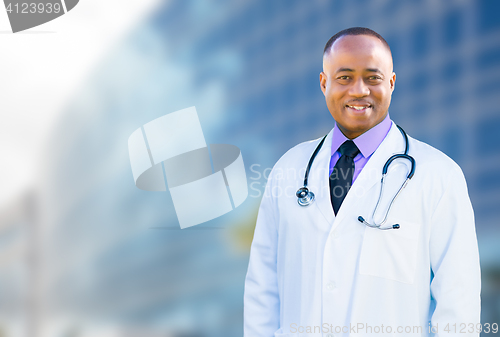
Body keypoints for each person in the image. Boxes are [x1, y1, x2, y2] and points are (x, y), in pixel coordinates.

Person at [244, 27, 481, 337]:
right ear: (324, 82)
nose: (359, 90)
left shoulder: (438, 174)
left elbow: (457, 295)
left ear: (392, 83)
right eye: (344, 77)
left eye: (373, 78)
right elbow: (263, 285)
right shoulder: (289, 168)